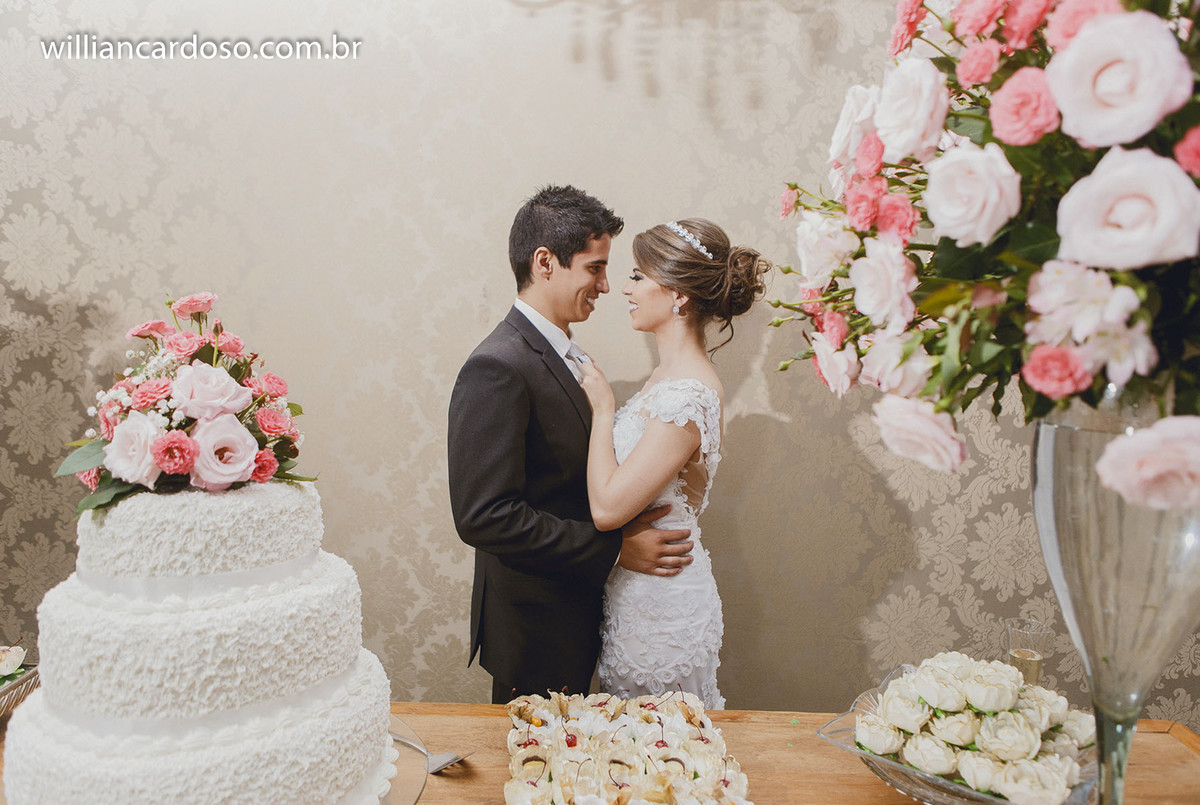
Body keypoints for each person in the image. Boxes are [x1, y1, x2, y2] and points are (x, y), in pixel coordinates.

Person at [448, 186, 695, 704]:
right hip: (537, 624)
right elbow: (484, 516)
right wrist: (614, 550)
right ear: (545, 262)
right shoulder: (497, 365)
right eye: (595, 267)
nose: (606, 285)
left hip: (580, 613)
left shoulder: (563, 352)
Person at [579, 218, 770, 709]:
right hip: (638, 591)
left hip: (661, 608)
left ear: (679, 295)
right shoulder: (666, 377)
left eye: (640, 276)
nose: (625, 287)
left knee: (662, 759)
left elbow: (607, 509)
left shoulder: (687, 394)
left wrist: (602, 409)